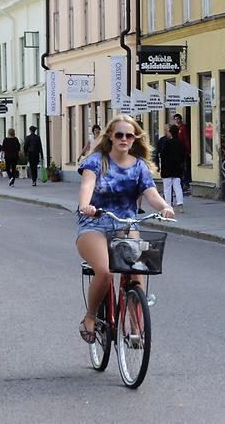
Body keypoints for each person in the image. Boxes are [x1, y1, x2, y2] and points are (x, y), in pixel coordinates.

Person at [76, 115, 174, 344]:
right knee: (105, 271)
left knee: (136, 272)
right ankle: (90, 316)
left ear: (134, 139)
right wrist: (85, 205)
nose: (123, 139)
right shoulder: (96, 161)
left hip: (125, 224)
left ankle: (135, 328)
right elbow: (87, 185)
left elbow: (151, 194)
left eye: (128, 135)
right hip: (95, 223)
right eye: (119, 134)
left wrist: (165, 207)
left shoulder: (139, 165)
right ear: (110, 136)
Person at [159, 124, 187, 212]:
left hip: (167, 168)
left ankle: (168, 206)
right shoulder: (181, 143)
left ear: (170, 133)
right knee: (177, 187)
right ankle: (180, 204)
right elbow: (184, 155)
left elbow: (162, 154)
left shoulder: (167, 142)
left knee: (167, 188)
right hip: (177, 168)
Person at [173, 113, 192, 193]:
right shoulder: (175, 128)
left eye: (178, 119)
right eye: (175, 119)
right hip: (176, 151)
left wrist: (189, 150)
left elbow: (186, 139)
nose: (177, 120)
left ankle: (186, 183)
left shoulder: (183, 128)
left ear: (180, 119)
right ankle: (182, 184)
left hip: (183, 150)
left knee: (185, 167)